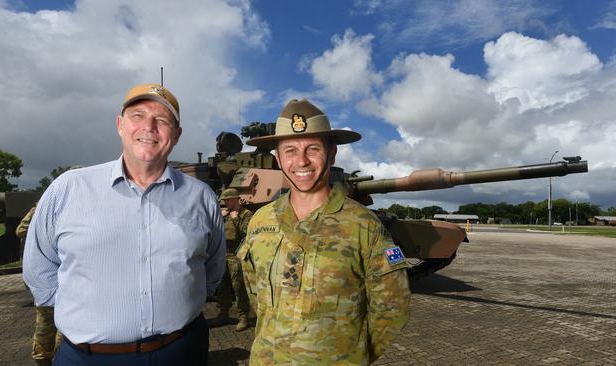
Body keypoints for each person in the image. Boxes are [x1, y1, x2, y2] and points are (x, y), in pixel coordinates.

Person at [23, 83, 225, 366]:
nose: (149, 127)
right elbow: (39, 268)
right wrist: (85, 311)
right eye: (138, 116)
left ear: (176, 135)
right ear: (120, 125)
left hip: (180, 351)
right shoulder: (68, 188)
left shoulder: (200, 196)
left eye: (162, 120)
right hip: (88, 358)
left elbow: (212, 269)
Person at [237, 99, 411, 365]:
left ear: (332, 154)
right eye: (291, 150)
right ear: (279, 159)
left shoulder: (363, 225)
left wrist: (350, 354)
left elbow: (392, 307)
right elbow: (256, 295)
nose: (302, 160)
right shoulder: (261, 220)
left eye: (313, 148)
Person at [17, 204, 62, 366]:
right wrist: (43, 232)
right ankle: (43, 357)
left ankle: (59, 355)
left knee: (65, 322)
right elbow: (20, 230)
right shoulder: (42, 206)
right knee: (47, 318)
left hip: (68, 273)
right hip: (47, 273)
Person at [210, 188, 253, 331]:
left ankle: (243, 316)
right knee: (222, 286)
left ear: (236, 199)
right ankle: (223, 313)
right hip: (223, 254)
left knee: (238, 287)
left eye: (228, 200)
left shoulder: (246, 214)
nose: (226, 203)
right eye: (224, 200)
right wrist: (220, 218)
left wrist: (236, 219)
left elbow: (247, 233)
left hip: (237, 254)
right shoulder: (224, 214)